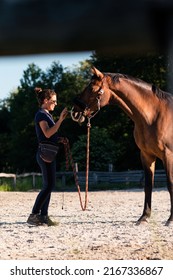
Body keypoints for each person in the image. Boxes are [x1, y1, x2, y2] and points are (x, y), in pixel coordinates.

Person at [27, 87, 68, 226]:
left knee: (49, 185)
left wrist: (59, 139)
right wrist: (61, 120)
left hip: (49, 152)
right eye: (53, 101)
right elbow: (47, 133)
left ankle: (43, 216)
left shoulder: (47, 115)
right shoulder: (41, 115)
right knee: (49, 185)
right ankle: (34, 215)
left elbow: (50, 136)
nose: (56, 104)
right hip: (44, 154)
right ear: (45, 100)